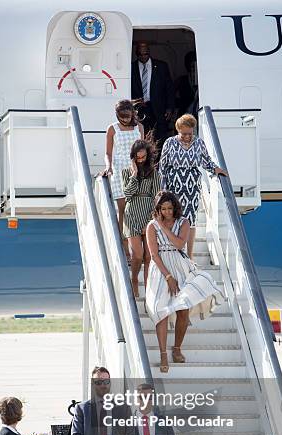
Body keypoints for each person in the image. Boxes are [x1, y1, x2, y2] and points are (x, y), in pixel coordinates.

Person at [146, 191, 225, 373]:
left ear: (175, 207)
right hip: (160, 269)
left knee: (183, 310)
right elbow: (154, 255)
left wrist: (164, 227)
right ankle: (163, 354)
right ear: (158, 209)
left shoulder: (184, 222)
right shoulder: (151, 226)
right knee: (161, 310)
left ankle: (177, 348)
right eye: (163, 209)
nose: (166, 212)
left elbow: (180, 245)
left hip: (180, 266)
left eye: (169, 208)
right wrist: (168, 277)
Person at [160, 114, 227, 259]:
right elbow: (162, 167)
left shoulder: (199, 143)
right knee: (173, 218)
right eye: (184, 133)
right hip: (174, 186)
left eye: (190, 133)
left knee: (190, 221)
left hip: (192, 187)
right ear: (178, 130)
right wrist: (162, 189)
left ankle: (189, 256)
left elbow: (206, 162)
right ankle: (174, 253)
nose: (187, 137)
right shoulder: (169, 142)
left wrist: (216, 169)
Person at [104, 100, 144, 260]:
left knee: (134, 210)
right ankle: (124, 247)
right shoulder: (112, 129)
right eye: (121, 116)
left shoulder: (139, 127)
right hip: (119, 169)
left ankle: (136, 247)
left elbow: (143, 151)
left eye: (127, 116)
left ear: (132, 113)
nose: (125, 119)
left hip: (135, 169)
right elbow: (108, 153)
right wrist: (108, 167)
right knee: (122, 210)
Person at [122, 139, 161, 297]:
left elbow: (157, 197)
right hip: (131, 214)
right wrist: (135, 174)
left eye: (143, 157)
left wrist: (151, 221)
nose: (140, 160)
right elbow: (127, 194)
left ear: (148, 156)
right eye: (137, 157)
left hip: (148, 214)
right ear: (133, 157)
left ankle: (149, 289)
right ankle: (134, 279)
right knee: (137, 255)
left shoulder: (154, 173)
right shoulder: (126, 172)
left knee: (148, 255)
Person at [131, 41, 174, 148]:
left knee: (160, 137)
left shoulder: (161, 66)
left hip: (158, 107)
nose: (143, 56)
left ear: (149, 53)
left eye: (145, 54)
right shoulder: (131, 67)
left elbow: (169, 88)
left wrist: (170, 107)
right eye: (140, 54)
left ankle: (160, 162)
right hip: (140, 108)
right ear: (137, 54)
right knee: (142, 137)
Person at [175, 51, 199, 118]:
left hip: (198, 114)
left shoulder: (203, 81)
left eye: (195, 66)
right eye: (191, 66)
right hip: (184, 114)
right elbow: (171, 96)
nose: (193, 68)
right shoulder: (180, 80)